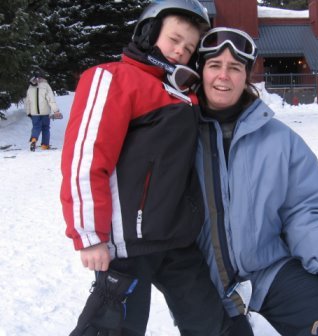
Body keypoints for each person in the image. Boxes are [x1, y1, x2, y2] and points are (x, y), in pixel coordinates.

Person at [61, 2, 240, 335]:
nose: (179, 51)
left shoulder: (184, 94)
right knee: (113, 328)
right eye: (173, 39)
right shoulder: (114, 78)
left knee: (210, 322)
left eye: (188, 49)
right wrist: (89, 235)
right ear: (147, 32)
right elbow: (86, 159)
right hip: (127, 245)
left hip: (177, 239)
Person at [194, 27, 318, 336]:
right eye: (214, 65)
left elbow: (304, 212)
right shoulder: (179, 135)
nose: (223, 76)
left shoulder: (281, 141)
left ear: (247, 76)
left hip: (266, 271)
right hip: (201, 279)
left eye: (235, 67)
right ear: (201, 71)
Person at [25, 71, 60, 151]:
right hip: (45, 112)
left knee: (36, 127)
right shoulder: (46, 86)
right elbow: (51, 99)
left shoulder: (30, 87)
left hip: (34, 113)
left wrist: (28, 112)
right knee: (45, 128)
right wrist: (56, 110)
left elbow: (27, 101)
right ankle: (45, 145)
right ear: (42, 77)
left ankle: (34, 139)